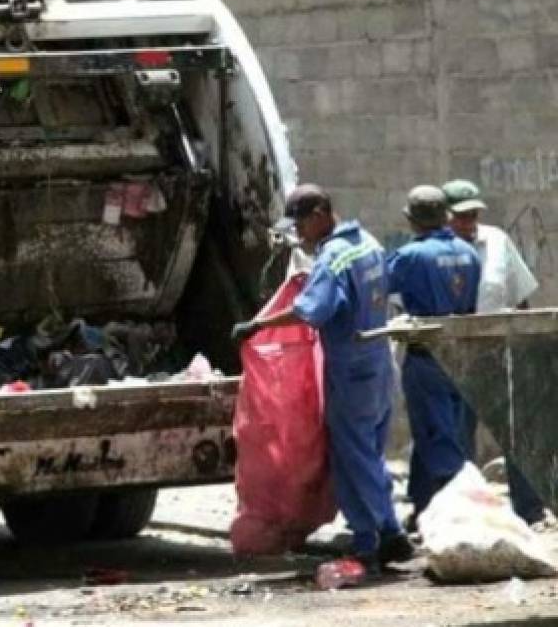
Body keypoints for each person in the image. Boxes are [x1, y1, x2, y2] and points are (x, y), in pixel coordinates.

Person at [232, 184, 411, 580]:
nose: (300, 235)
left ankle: (372, 540)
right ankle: (390, 531)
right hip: (380, 361)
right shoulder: (369, 243)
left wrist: (258, 325)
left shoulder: (333, 258)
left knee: (353, 457)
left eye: (301, 225)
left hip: (350, 369)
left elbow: (310, 311)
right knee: (371, 452)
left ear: (320, 215)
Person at [443, 178, 551, 529]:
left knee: (514, 430)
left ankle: (529, 508)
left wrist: (529, 344)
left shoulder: (497, 241)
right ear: (446, 217)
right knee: (458, 433)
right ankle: (462, 510)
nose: (469, 222)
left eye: (473, 214)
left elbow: (520, 295)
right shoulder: (437, 251)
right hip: (456, 352)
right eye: (461, 216)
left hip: (502, 350)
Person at [387, 186, 480, 523]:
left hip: (427, 354)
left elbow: (382, 284)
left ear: (412, 220)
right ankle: (424, 506)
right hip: (460, 353)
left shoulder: (411, 256)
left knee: (435, 433)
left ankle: (458, 513)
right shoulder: (469, 253)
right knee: (443, 427)